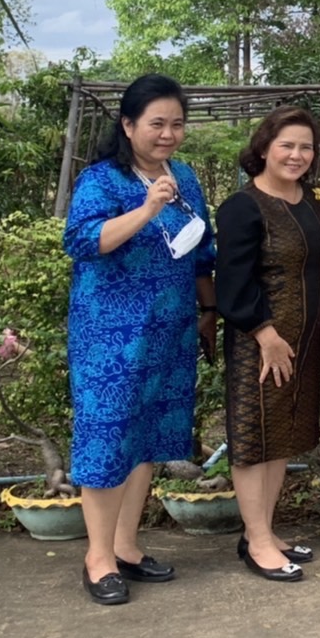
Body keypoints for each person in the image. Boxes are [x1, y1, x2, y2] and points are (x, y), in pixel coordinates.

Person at [63, 74, 216, 606]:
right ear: (128, 126)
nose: (168, 134)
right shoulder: (103, 180)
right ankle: (97, 557)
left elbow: (202, 253)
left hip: (169, 333)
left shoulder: (187, 178)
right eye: (157, 124)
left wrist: (209, 311)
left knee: (146, 437)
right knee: (107, 437)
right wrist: (148, 208)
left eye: (176, 123)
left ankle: (125, 547)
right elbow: (82, 241)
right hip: (111, 336)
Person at [215, 107, 320, 582]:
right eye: (287, 145)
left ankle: (263, 529)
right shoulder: (243, 206)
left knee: (282, 435)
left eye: (305, 146)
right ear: (264, 147)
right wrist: (265, 334)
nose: (297, 155)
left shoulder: (311, 202)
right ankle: (257, 541)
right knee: (254, 437)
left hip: (304, 340)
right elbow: (233, 285)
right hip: (259, 342)